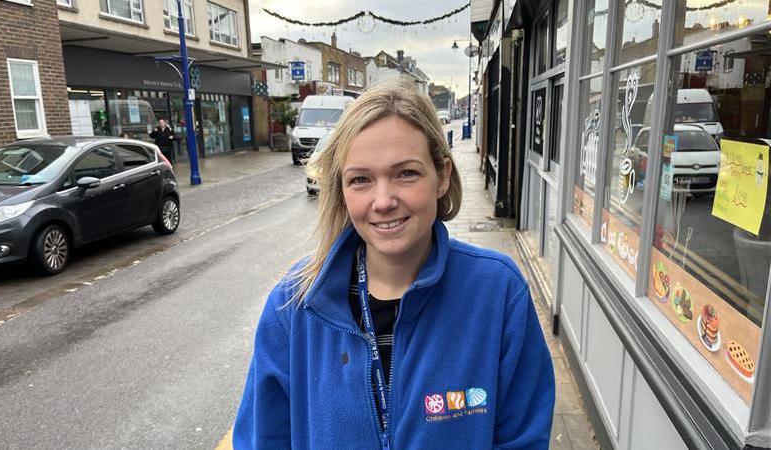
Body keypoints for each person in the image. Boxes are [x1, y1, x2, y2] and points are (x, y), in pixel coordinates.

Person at [233, 83, 555, 449]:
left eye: (406, 173)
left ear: (442, 175)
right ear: (342, 189)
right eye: (361, 180)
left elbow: (523, 439)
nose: (383, 201)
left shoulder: (498, 293)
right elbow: (261, 440)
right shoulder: (291, 307)